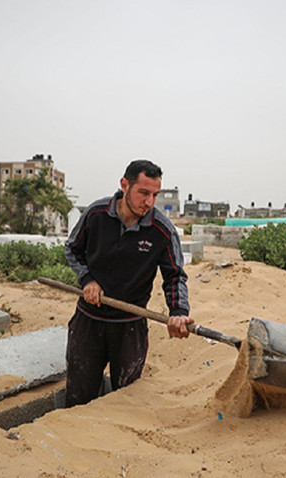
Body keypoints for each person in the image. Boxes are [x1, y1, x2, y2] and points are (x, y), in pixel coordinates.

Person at [64, 159, 193, 407]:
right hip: (88, 321)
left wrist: (179, 312)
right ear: (125, 185)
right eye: (143, 193)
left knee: (126, 400)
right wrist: (87, 279)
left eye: (155, 194)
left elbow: (174, 275)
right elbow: (73, 249)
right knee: (79, 395)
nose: (149, 202)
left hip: (129, 326)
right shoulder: (96, 215)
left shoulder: (162, 230)